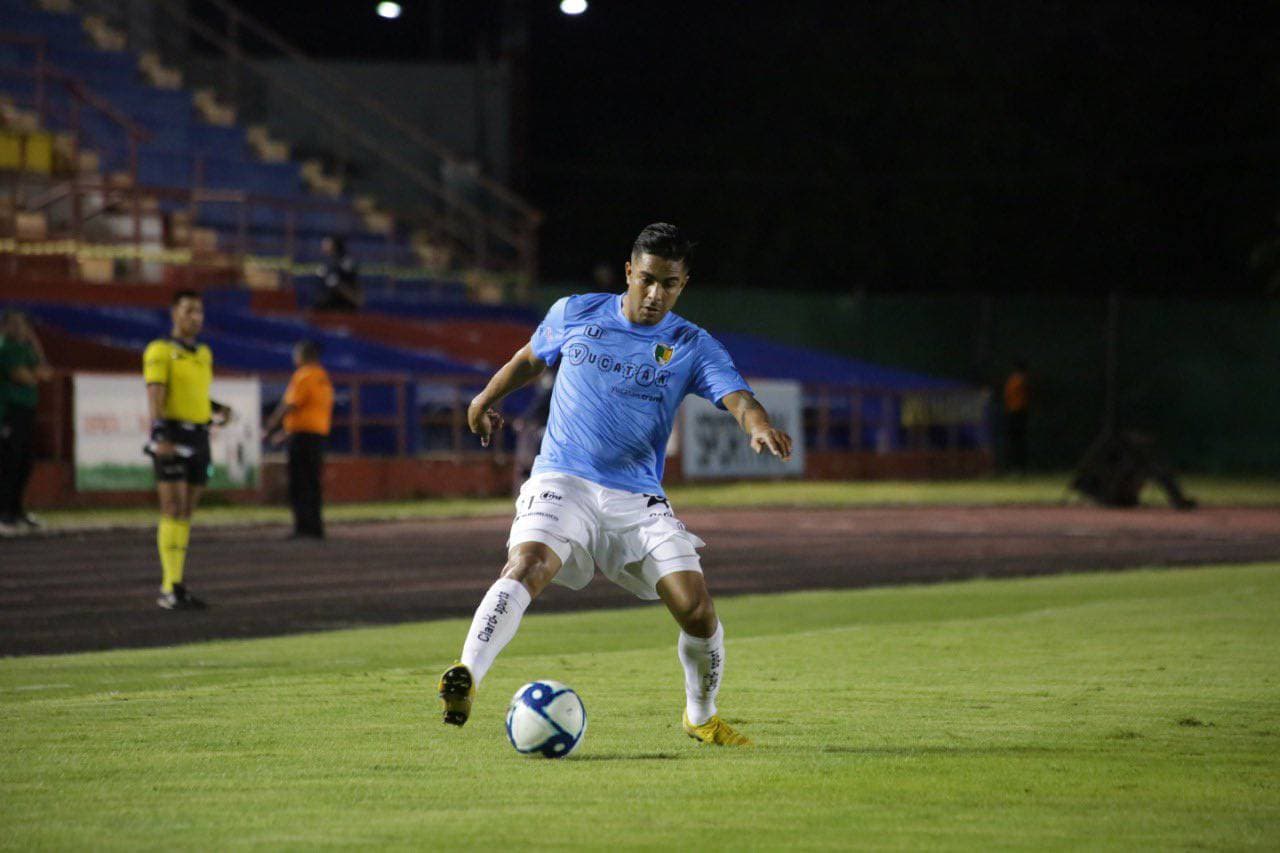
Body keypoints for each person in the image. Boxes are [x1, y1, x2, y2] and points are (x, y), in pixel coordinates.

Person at [437, 223, 793, 746]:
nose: (654, 295)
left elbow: (738, 397)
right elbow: (529, 360)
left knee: (695, 608)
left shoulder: (691, 345)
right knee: (529, 562)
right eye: (646, 279)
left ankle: (701, 715)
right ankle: (466, 674)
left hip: (636, 498)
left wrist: (758, 426)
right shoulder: (575, 312)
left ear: (683, 284)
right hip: (563, 479)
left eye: (668, 284)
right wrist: (484, 398)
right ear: (628, 272)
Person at [142, 291, 232, 610]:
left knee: (187, 512)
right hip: (173, 434)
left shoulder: (204, 353)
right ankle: (170, 586)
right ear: (174, 313)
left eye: (199, 311)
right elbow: (156, 394)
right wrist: (160, 434)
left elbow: (194, 394)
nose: (195, 317)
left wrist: (217, 408)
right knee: (172, 507)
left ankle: (177, 584)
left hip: (199, 436)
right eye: (189, 310)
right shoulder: (160, 350)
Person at [264, 340, 334, 540]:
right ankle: (316, 526)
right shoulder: (323, 377)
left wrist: (271, 426)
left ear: (303, 355)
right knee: (313, 482)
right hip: (318, 435)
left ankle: (302, 527)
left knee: (299, 482)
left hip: (302, 438)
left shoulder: (304, 376)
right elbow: (310, 410)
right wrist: (285, 433)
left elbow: (290, 404)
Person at [0, 311, 53, 534]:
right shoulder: (5, 348)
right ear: (5, 326)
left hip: (26, 412)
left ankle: (16, 511)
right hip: (9, 413)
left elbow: (46, 372)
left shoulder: (25, 348)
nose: (20, 328)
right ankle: (4, 513)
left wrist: (34, 342)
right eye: (15, 323)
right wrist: (35, 373)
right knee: (9, 462)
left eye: (23, 324)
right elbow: (25, 377)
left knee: (24, 462)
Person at [313, 235, 362, 312]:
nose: (323, 245)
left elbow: (355, 292)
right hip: (329, 304)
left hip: (345, 304)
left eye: (327, 243)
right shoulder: (328, 263)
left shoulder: (346, 262)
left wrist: (337, 283)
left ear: (334, 245)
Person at [1003, 360, 1030, 473]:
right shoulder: (1021, 379)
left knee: (1016, 441)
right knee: (1018, 441)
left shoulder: (1013, 380)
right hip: (1019, 412)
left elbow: (1007, 397)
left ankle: (1017, 467)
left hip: (1015, 412)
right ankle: (1018, 467)